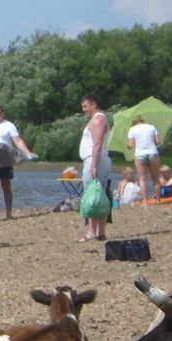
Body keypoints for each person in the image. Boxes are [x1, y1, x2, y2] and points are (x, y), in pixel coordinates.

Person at [0, 105, 38, 221]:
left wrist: (27, 153)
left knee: (6, 185)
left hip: (5, 158)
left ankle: (8, 214)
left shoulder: (9, 126)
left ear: (3, 113)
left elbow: (17, 140)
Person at [79, 95, 112, 242]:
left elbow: (97, 144)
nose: (84, 109)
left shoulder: (98, 119)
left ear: (94, 104)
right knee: (98, 195)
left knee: (92, 196)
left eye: (86, 106)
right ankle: (100, 232)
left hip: (96, 160)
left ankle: (92, 232)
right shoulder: (98, 119)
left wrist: (93, 165)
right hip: (96, 159)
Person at [126, 114, 162, 206]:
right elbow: (158, 142)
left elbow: (130, 145)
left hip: (140, 154)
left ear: (134, 123)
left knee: (142, 180)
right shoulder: (151, 127)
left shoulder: (132, 130)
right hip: (153, 152)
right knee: (156, 180)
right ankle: (158, 201)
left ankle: (145, 202)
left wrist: (128, 145)